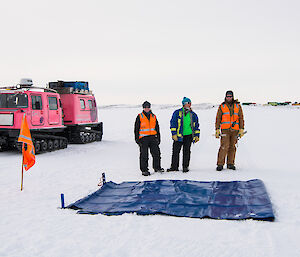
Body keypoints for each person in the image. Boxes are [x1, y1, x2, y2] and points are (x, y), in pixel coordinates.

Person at [167, 97, 200, 173]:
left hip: (188, 136)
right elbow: (173, 123)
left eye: (189, 103)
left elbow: (196, 126)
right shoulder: (177, 113)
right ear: (183, 104)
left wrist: (197, 135)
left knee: (187, 151)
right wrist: (174, 134)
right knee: (175, 152)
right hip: (179, 136)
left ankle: (185, 167)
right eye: (186, 103)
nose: (188, 105)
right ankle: (174, 167)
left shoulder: (193, 114)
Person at [215, 90, 245, 171]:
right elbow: (218, 118)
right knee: (224, 146)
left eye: (230, 96)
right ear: (225, 97)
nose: (229, 98)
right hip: (225, 130)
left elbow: (241, 118)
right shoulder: (222, 106)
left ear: (232, 97)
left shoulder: (237, 106)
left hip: (235, 130)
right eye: (227, 96)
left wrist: (241, 129)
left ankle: (230, 163)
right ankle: (220, 164)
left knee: (232, 147)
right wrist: (217, 129)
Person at [134, 101, 164, 176]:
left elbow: (157, 128)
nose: (147, 109)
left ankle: (157, 167)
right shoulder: (140, 116)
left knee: (156, 153)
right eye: (145, 107)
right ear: (143, 108)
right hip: (143, 139)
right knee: (144, 155)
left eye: (148, 107)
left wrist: (158, 138)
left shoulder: (153, 116)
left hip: (153, 137)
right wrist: (137, 140)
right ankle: (144, 170)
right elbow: (136, 129)